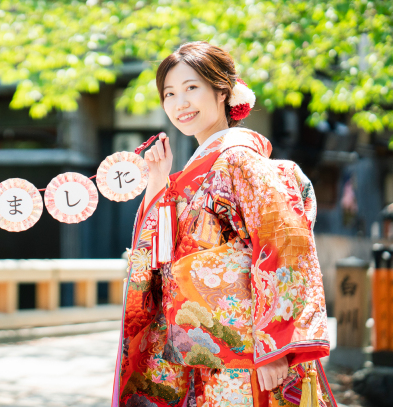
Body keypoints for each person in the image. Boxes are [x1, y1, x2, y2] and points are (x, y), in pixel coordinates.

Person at [112, 42, 336, 407]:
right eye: (169, 93)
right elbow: (157, 253)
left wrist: (275, 346)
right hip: (198, 350)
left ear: (222, 91)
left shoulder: (239, 158)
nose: (180, 103)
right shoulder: (198, 168)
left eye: (191, 88)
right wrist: (157, 181)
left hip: (246, 350)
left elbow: (284, 242)